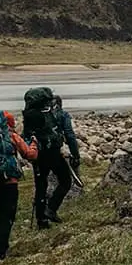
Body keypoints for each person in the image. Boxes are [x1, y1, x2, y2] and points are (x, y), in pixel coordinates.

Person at [0, 109, 38, 260]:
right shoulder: (12, 136)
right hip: (8, 181)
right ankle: (0, 252)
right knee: (7, 215)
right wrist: (34, 143)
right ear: (9, 123)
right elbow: (30, 155)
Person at [22, 87, 81, 228]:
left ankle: (41, 221)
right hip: (53, 152)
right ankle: (51, 209)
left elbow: (25, 135)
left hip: (38, 155)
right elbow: (69, 135)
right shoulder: (56, 114)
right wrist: (75, 154)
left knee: (41, 186)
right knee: (65, 180)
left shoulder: (29, 115)